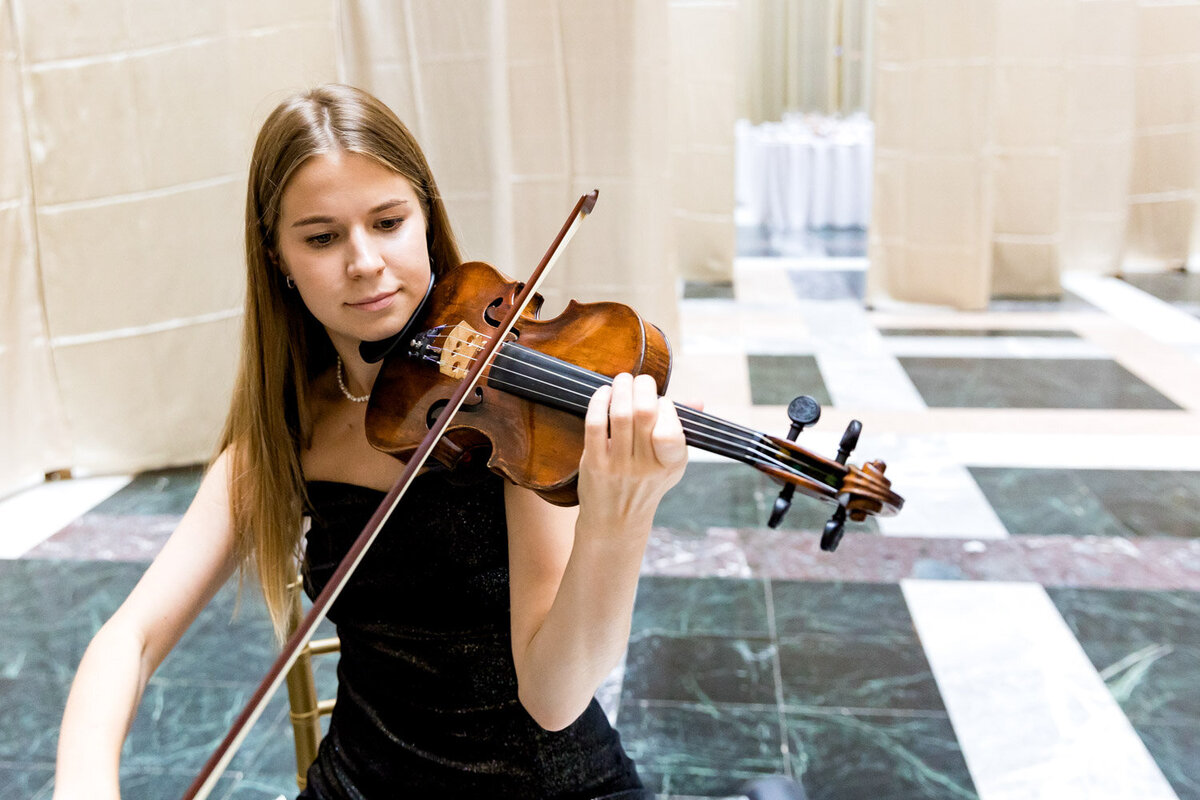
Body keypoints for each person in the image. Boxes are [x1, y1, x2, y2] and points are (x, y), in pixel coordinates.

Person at [53, 84, 688, 799]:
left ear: (425, 219)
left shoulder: (514, 417)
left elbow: (554, 697)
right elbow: (127, 641)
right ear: (279, 259)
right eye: (321, 237)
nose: (364, 261)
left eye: (388, 221)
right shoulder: (284, 435)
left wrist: (618, 518)